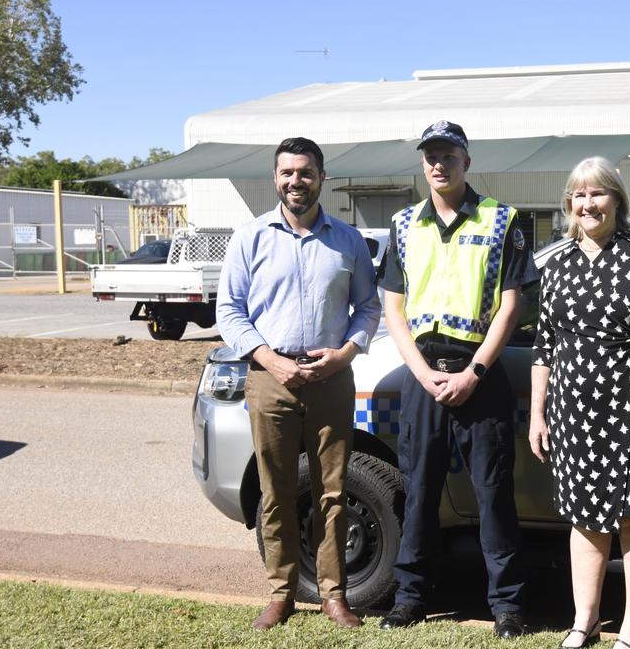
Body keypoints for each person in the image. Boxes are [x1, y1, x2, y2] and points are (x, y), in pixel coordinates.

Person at [377, 120, 537, 639]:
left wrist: (475, 372)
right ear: (422, 163)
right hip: (423, 374)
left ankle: (507, 607)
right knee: (419, 490)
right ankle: (410, 598)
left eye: (448, 155)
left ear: (467, 161)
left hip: (479, 373)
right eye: (430, 156)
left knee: (493, 493)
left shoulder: (502, 220)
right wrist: (421, 373)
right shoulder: (404, 225)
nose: (438, 164)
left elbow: (511, 305)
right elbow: (393, 309)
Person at [217, 137, 382, 631]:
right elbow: (229, 311)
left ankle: (335, 594)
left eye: (305, 172)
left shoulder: (348, 240)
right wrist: (271, 359)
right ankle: (281, 592)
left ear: (321, 178)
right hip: (271, 378)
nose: (296, 181)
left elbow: (368, 308)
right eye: (287, 172)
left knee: (333, 492)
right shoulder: (250, 238)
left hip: (331, 378)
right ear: (275, 178)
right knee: (277, 491)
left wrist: (346, 353)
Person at [528, 157, 630, 649]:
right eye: (578, 194)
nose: (587, 203)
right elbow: (544, 348)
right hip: (572, 412)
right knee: (583, 517)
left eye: (597, 193)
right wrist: (537, 414)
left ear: (617, 199)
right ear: (568, 204)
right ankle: (586, 621)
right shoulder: (557, 264)